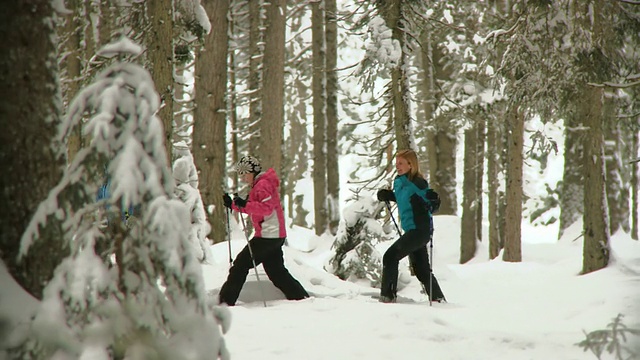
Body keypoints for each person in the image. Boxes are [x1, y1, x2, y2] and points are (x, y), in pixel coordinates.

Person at [218, 155, 309, 306]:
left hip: (267, 236)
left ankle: (224, 303)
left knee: (240, 266)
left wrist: (243, 204)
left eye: (244, 174)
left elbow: (266, 209)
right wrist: (234, 205)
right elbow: (256, 206)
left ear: (252, 171)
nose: (243, 178)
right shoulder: (260, 185)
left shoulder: (263, 185)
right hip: (273, 235)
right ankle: (302, 299)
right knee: (277, 272)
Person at [376, 149, 446, 303]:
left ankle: (387, 298)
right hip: (412, 230)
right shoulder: (400, 181)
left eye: (401, 163)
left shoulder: (417, 183)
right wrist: (389, 196)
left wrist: (434, 202)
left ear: (410, 164)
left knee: (390, 256)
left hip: (420, 230)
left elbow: (429, 202)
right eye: (396, 163)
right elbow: (404, 198)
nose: (397, 166)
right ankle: (439, 299)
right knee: (421, 270)